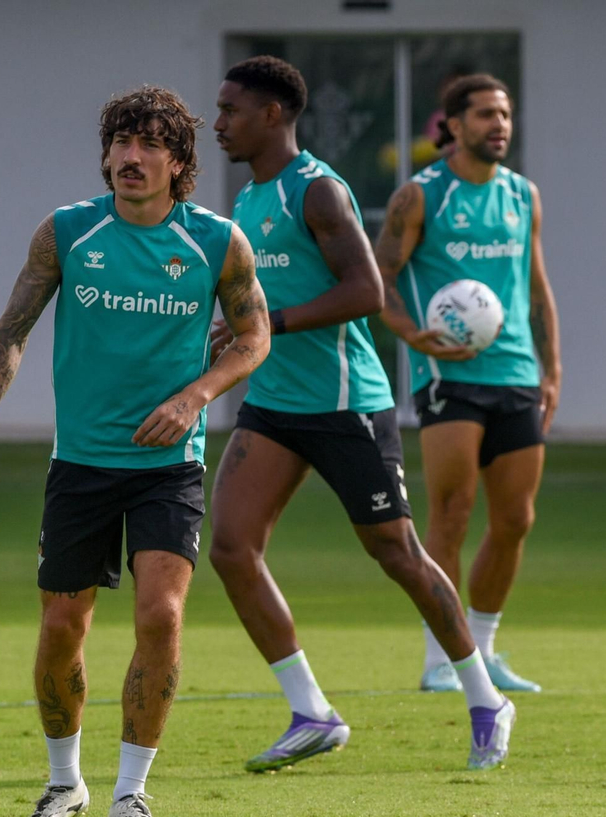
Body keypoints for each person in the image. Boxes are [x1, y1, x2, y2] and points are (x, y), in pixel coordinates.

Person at [0, 87, 271, 817]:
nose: (129, 158)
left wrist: (195, 397)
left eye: (147, 145)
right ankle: (63, 784)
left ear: (179, 162)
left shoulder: (216, 241)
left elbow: (253, 336)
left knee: (160, 615)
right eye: (119, 143)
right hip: (80, 464)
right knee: (62, 624)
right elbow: (12, 329)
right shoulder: (68, 232)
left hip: (169, 465)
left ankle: (131, 797)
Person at [209, 56, 515, 773]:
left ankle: (484, 697)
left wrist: (267, 323)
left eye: (231, 110)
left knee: (398, 555)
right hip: (274, 403)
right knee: (229, 547)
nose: (218, 123)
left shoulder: (317, 192)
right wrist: (233, 328)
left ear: (274, 115)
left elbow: (367, 292)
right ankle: (312, 711)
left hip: (346, 404)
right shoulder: (248, 201)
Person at [374, 73, 561, 695]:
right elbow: (381, 279)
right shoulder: (420, 197)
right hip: (448, 376)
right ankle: (440, 659)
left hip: (515, 374)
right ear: (452, 126)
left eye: (505, 114)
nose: (499, 125)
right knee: (450, 515)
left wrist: (551, 370)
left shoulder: (522, 196)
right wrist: (412, 334)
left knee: (515, 519)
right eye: (485, 114)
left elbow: (537, 288)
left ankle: (482, 650)